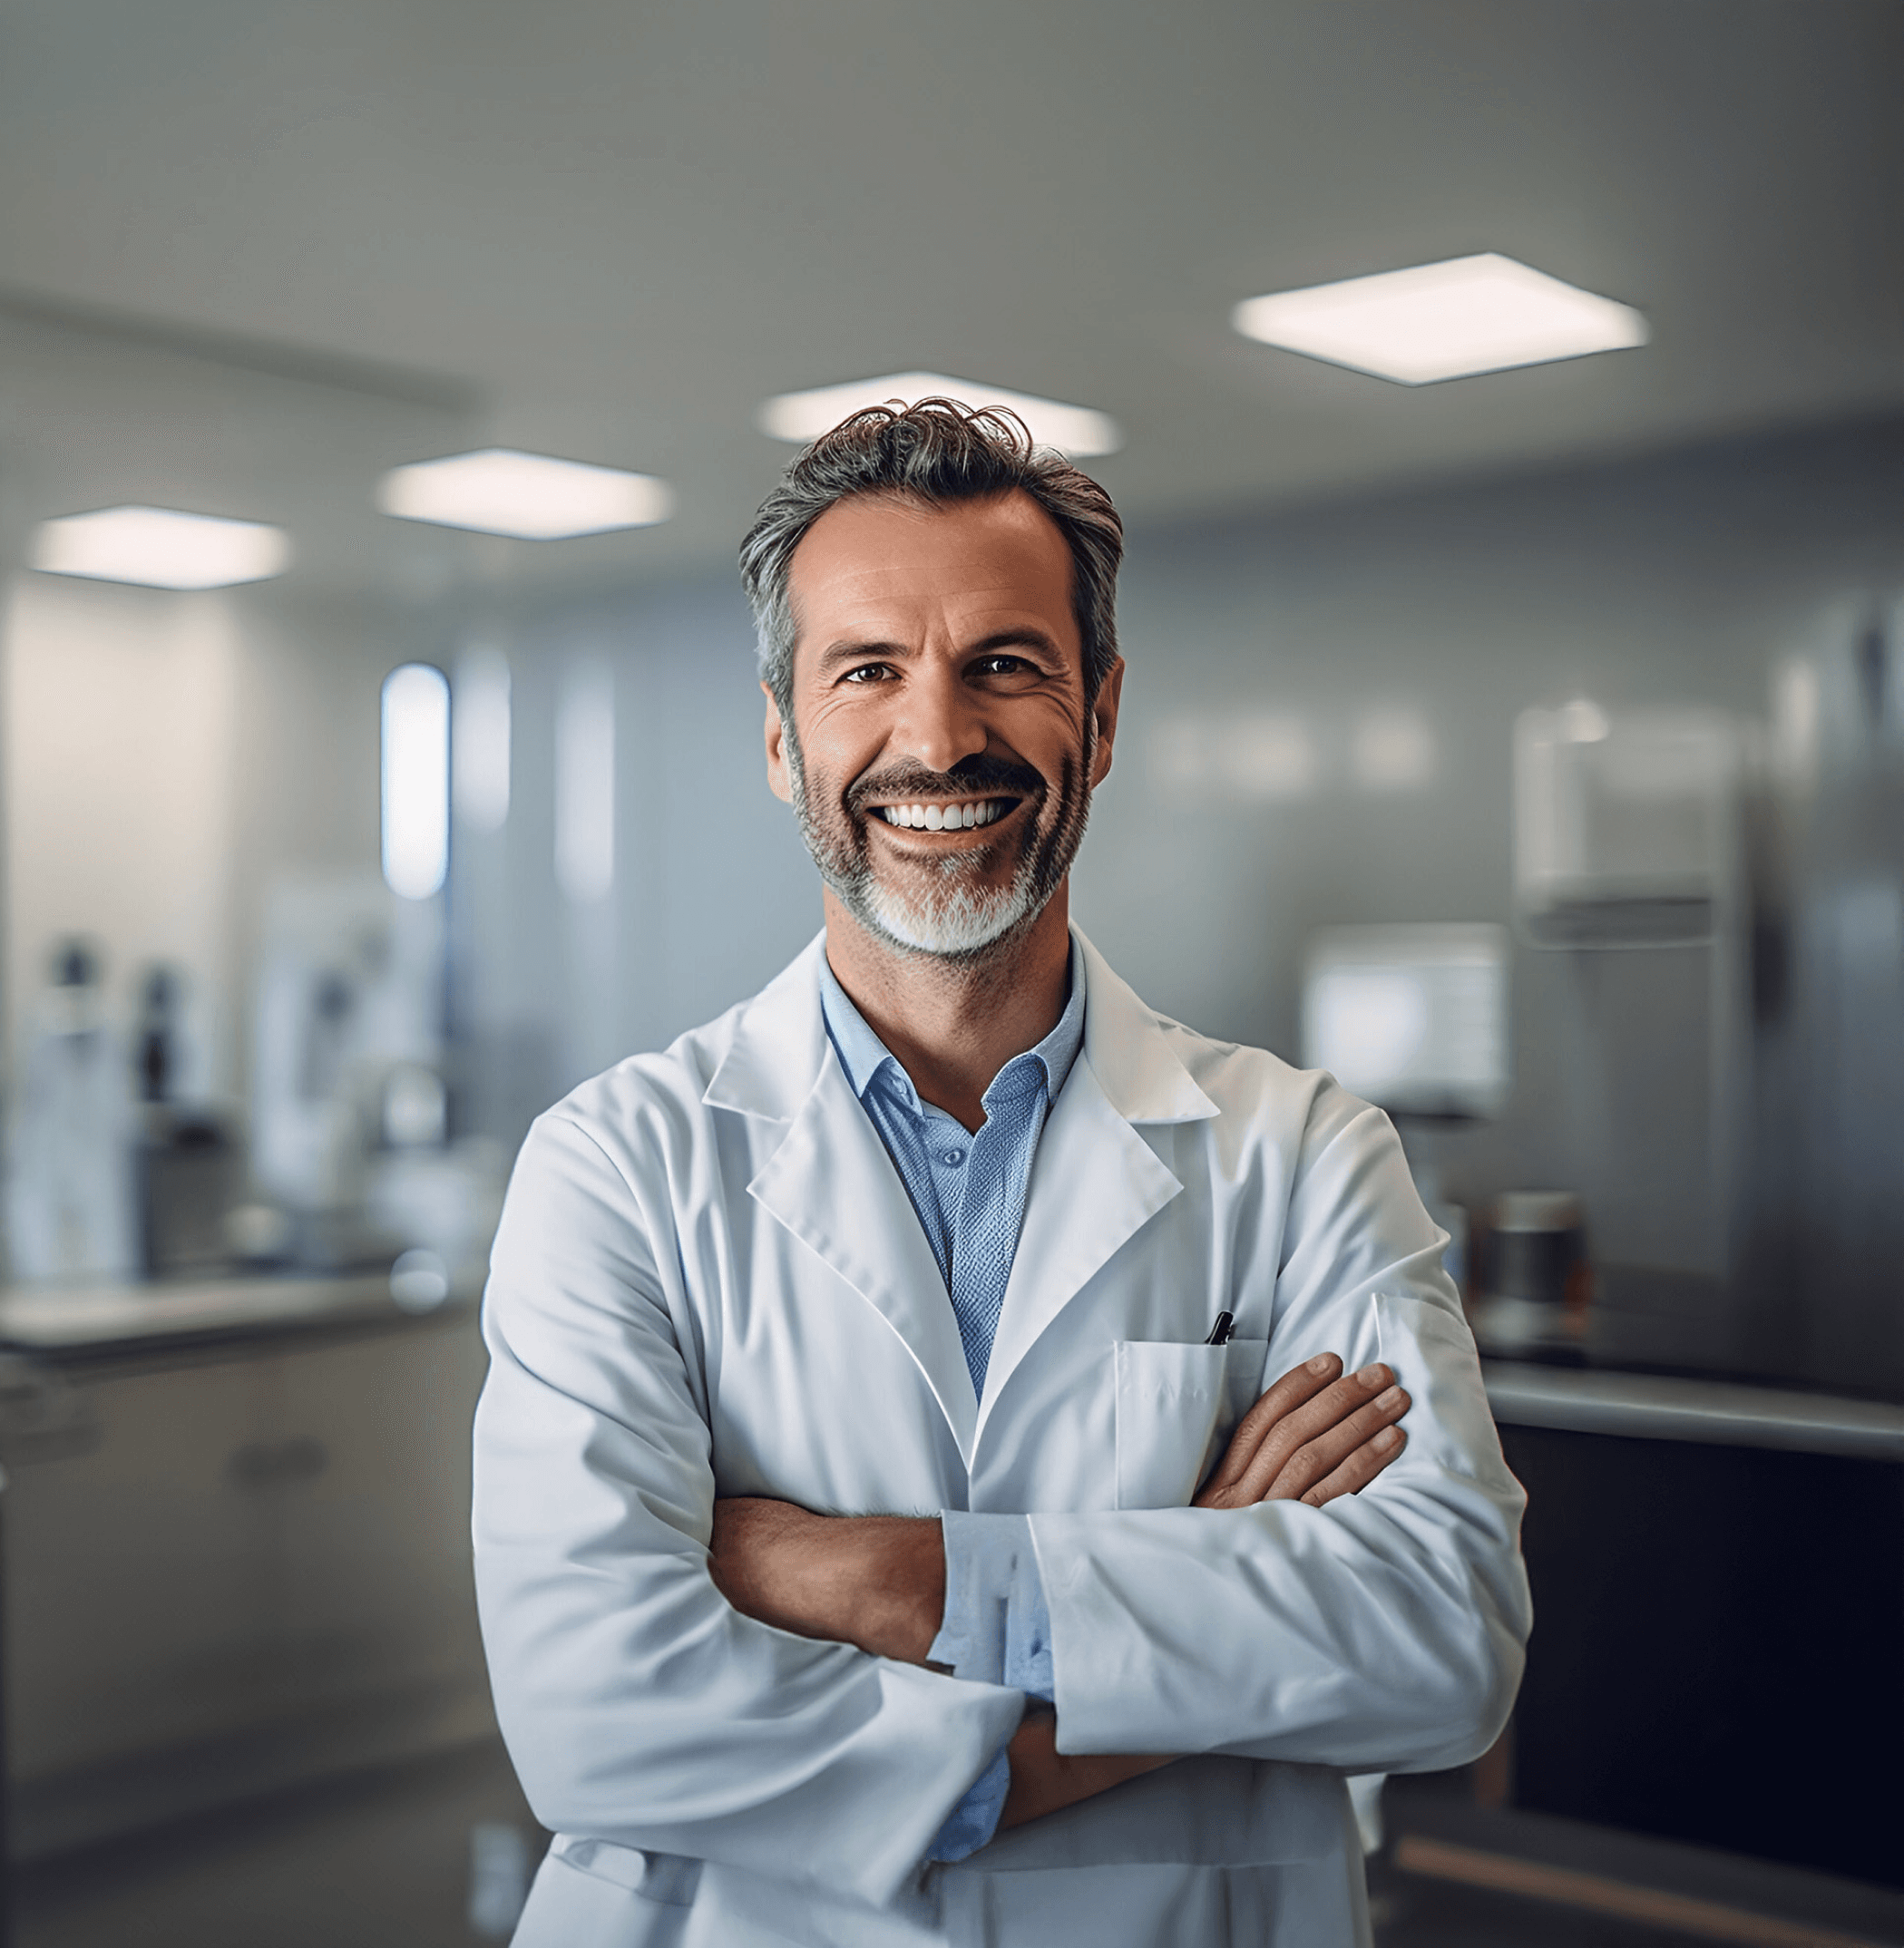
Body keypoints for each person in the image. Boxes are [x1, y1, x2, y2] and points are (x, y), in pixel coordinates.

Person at [473, 401, 1530, 1947]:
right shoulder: (616, 1168)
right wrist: (1190, 1597)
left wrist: (901, 1582)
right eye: (867, 671)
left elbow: (1446, 1640)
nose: (937, 739)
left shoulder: (1303, 1153)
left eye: (1005, 665)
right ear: (781, 739)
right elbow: (596, 1714)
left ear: (1100, 715)